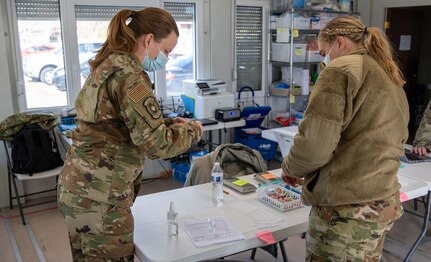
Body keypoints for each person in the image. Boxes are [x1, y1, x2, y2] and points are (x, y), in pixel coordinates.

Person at [57, 8, 203, 261]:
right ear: (148, 40)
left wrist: (166, 122)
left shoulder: (109, 64)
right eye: (166, 51)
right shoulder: (130, 76)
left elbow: (115, 124)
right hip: (101, 197)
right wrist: (192, 129)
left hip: (79, 189)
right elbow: (155, 146)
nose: (166, 58)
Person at [281, 16, 409, 261]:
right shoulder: (386, 71)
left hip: (346, 209)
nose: (324, 59)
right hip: (381, 202)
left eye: (322, 52)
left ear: (339, 43)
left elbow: (314, 146)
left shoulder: (339, 70)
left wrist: (291, 168)